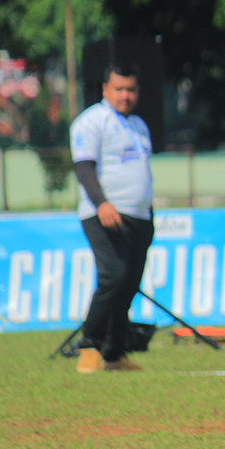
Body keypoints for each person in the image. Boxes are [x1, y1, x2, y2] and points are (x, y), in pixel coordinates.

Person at [69, 64, 155, 373]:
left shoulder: (139, 125)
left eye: (131, 89)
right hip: (104, 214)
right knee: (114, 277)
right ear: (105, 89)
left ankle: (114, 354)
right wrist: (102, 203)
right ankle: (89, 344)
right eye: (119, 89)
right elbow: (83, 167)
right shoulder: (92, 121)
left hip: (140, 217)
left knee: (129, 285)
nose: (125, 95)